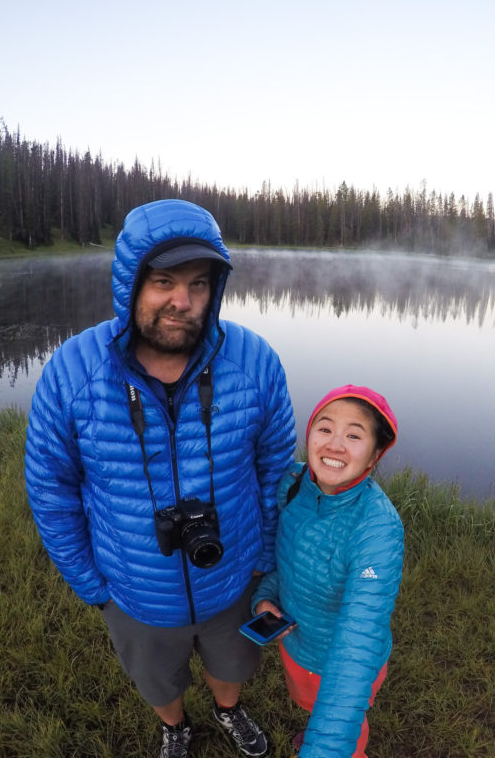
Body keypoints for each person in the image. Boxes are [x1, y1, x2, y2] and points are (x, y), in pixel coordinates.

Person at [24, 198, 296, 758]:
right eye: (164, 281)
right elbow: (52, 492)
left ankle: (228, 708)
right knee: (156, 679)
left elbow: (275, 471)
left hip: (233, 578)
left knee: (234, 661)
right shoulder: (73, 373)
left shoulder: (256, 362)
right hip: (134, 592)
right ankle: (175, 726)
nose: (183, 301)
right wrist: (95, 588)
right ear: (130, 284)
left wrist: (266, 561)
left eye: (199, 284)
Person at [252, 385, 404, 758]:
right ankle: (315, 727)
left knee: (343, 722)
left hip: (338, 661)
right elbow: (286, 564)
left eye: (354, 435)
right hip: (298, 646)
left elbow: (357, 647)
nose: (335, 445)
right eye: (325, 428)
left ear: (374, 455)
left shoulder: (377, 530)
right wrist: (264, 598)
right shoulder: (293, 486)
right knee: (313, 706)